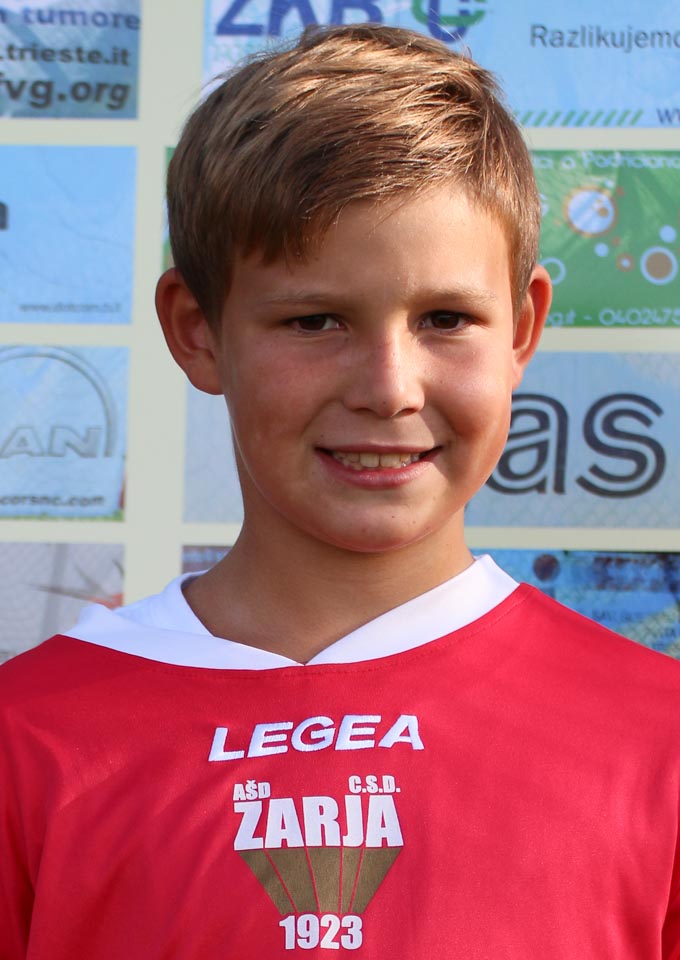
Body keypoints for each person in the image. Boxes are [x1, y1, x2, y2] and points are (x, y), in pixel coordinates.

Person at [1, 23, 679, 960]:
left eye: (446, 318)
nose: (389, 388)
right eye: (315, 321)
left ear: (522, 328)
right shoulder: (27, 740)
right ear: (198, 331)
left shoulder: (656, 737)